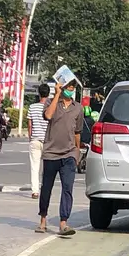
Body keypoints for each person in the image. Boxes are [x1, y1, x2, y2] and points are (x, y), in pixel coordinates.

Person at [37, 79, 81, 236]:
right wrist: (56, 95)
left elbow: (77, 132)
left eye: (72, 88)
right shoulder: (50, 102)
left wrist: (77, 152)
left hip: (69, 154)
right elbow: (48, 115)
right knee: (46, 188)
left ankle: (64, 223)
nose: (70, 90)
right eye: (67, 88)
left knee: (67, 188)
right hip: (51, 153)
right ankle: (43, 220)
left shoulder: (78, 108)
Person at [26, 84, 50, 199]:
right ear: (49, 94)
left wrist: (30, 137)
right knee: (47, 168)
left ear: (39, 93)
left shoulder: (32, 107)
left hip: (35, 140)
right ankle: (45, 189)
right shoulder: (51, 108)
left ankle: (35, 191)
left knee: (34, 167)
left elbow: (30, 125)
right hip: (48, 141)